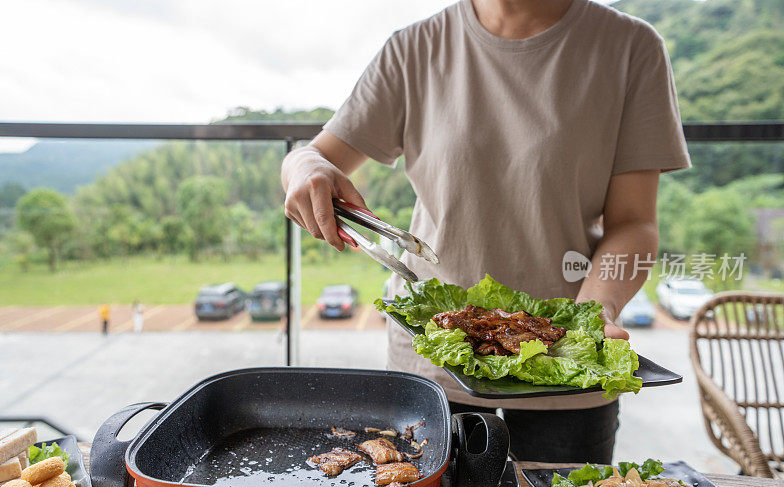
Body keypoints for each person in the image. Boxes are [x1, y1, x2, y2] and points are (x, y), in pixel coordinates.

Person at [281, 0, 690, 463]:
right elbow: (318, 156)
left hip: (569, 370)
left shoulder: (631, 47)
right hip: (435, 357)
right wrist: (302, 164)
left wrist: (592, 316)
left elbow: (633, 223)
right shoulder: (415, 49)